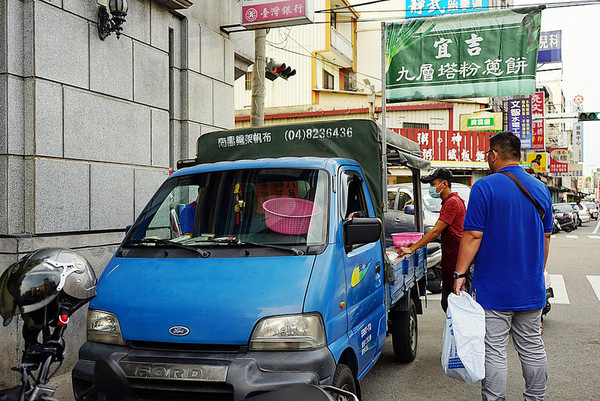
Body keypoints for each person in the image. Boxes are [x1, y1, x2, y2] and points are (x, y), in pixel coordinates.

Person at [453, 131, 553, 401]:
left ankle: (495, 399)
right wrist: (535, 273)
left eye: (488, 154)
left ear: (494, 155)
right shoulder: (541, 188)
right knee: (532, 347)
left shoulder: (484, 187)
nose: (487, 159)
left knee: (495, 350)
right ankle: (536, 397)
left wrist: (459, 274)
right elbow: (545, 237)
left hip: (494, 289)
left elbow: (473, 235)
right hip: (531, 287)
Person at [397, 168, 466, 313]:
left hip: (456, 260)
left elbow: (435, 231)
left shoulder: (452, 202)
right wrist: (416, 244)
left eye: (433, 184)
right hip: (452, 259)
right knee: (449, 305)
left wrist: (412, 248)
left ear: (444, 184)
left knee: (453, 307)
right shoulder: (449, 201)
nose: (431, 188)